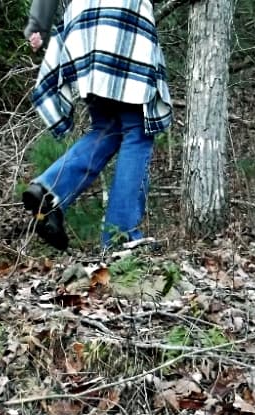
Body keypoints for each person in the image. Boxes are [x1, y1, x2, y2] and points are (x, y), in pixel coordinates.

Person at [21, 0, 172, 252]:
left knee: (108, 127)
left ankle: (49, 190)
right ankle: (120, 238)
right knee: (137, 131)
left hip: (83, 25)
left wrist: (37, 25)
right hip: (123, 17)